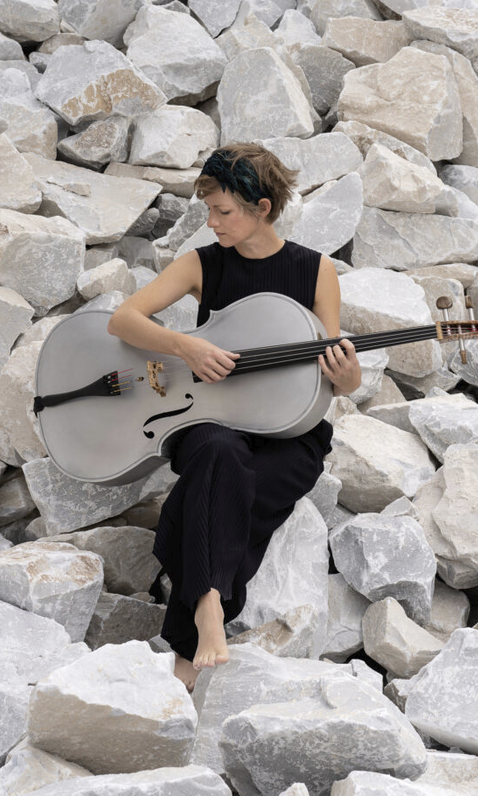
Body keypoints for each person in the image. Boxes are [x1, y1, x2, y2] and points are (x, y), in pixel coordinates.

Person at [107, 143, 361, 693]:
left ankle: (197, 615)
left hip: (290, 433)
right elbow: (123, 320)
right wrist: (185, 348)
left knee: (211, 499)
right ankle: (211, 615)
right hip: (210, 417)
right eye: (208, 209)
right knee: (220, 458)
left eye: (223, 211)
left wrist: (347, 374)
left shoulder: (315, 271)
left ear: (262, 207)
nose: (211, 221)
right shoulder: (203, 263)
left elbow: (341, 378)